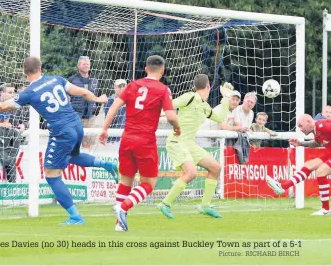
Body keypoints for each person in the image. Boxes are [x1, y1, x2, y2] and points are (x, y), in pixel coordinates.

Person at [0, 57, 118, 225]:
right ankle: (107, 164)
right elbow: (83, 92)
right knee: (73, 156)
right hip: (76, 125)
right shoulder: (57, 79)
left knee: (51, 176)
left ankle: (75, 217)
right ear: (41, 68)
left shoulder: (29, 92)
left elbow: (1, 106)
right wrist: (98, 99)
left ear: (24, 72)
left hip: (62, 132)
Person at [99, 55, 180, 232]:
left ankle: (119, 224)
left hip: (127, 139)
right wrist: (177, 128)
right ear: (163, 70)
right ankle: (124, 207)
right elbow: (172, 116)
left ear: (145, 69)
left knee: (126, 180)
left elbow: (114, 107)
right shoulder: (162, 89)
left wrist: (104, 129)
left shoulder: (133, 85)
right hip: (145, 141)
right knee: (149, 184)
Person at [157, 75, 233, 219]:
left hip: (190, 144)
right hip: (177, 141)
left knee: (216, 167)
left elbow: (220, 117)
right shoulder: (190, 97)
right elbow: (169, 104)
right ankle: (165, 203)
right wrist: (160, 114)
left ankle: (205, 205)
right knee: (191, 173)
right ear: (208, 86)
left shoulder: (204, 106)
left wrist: (226, 99)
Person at [266, 114, 331, 215]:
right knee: (309, 165)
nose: (300, 129)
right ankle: (283, 186)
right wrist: (301, 144)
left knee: (321, 172)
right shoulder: (316, 131)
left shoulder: (323, 125)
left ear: (308, 122)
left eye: (301, 125)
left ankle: (327, 209)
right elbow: (316, 143)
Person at [67, 56, 107, 147]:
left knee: (88, 145)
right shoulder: (71, 80)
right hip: (75, 118)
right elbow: (66, 97)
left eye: (88, 64)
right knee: (74, 145)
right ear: (78, 65)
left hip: (90, 119)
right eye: (84, 64)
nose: (86, 65)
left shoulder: (95, 81)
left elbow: (99, 96)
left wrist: (95, 111)